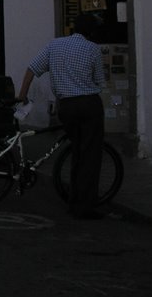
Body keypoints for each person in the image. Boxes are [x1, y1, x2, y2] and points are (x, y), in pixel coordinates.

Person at [17, 13, 106, 219]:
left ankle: (74, 200)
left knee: (76, 152)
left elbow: (32, 68)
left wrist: (22, 95)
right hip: (88, 104)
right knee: (90, 156)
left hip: (66, 106)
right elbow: (100, 81)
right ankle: (84, 206)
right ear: (90, 31)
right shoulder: (92, 49)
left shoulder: (55, 45)